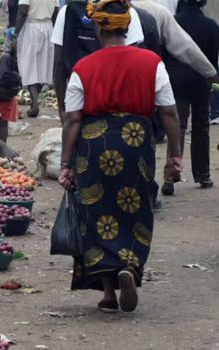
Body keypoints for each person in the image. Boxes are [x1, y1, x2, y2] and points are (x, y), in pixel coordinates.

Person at [59, 0, 182, 313]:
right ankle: (129, 265)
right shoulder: (151, 62)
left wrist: (64, 164)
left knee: (97, 213)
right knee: (134, 207)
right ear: (127, 27)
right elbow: (168, 112)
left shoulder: (83, 68)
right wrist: (175, 156)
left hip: (93, 145)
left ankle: (109, 293)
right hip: (136, 142)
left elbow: (72, 119)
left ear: (99, 27)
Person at [51, 0, 146, 120]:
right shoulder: (126, 13)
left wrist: (63, 110)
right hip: (120, 102)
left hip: (79, 100)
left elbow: (59, 63)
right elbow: (133, 62)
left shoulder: (66, 11)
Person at [162, 0, 218, 193]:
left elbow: (165, 52)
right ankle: (203, 175)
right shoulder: (211, 25)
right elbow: (212, 60)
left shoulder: (172, 21)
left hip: (175, 80)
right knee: (201, 127)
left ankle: (170, 177)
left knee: (177, 127)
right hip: (201, 81)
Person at [14, 0, 58, 118]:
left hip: (31, 27)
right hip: (48, 27)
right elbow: (55, 13)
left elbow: (23, 11)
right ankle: (35, 99)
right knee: (43, 65)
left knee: (29, 64)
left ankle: (34, 103)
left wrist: (15, 34)